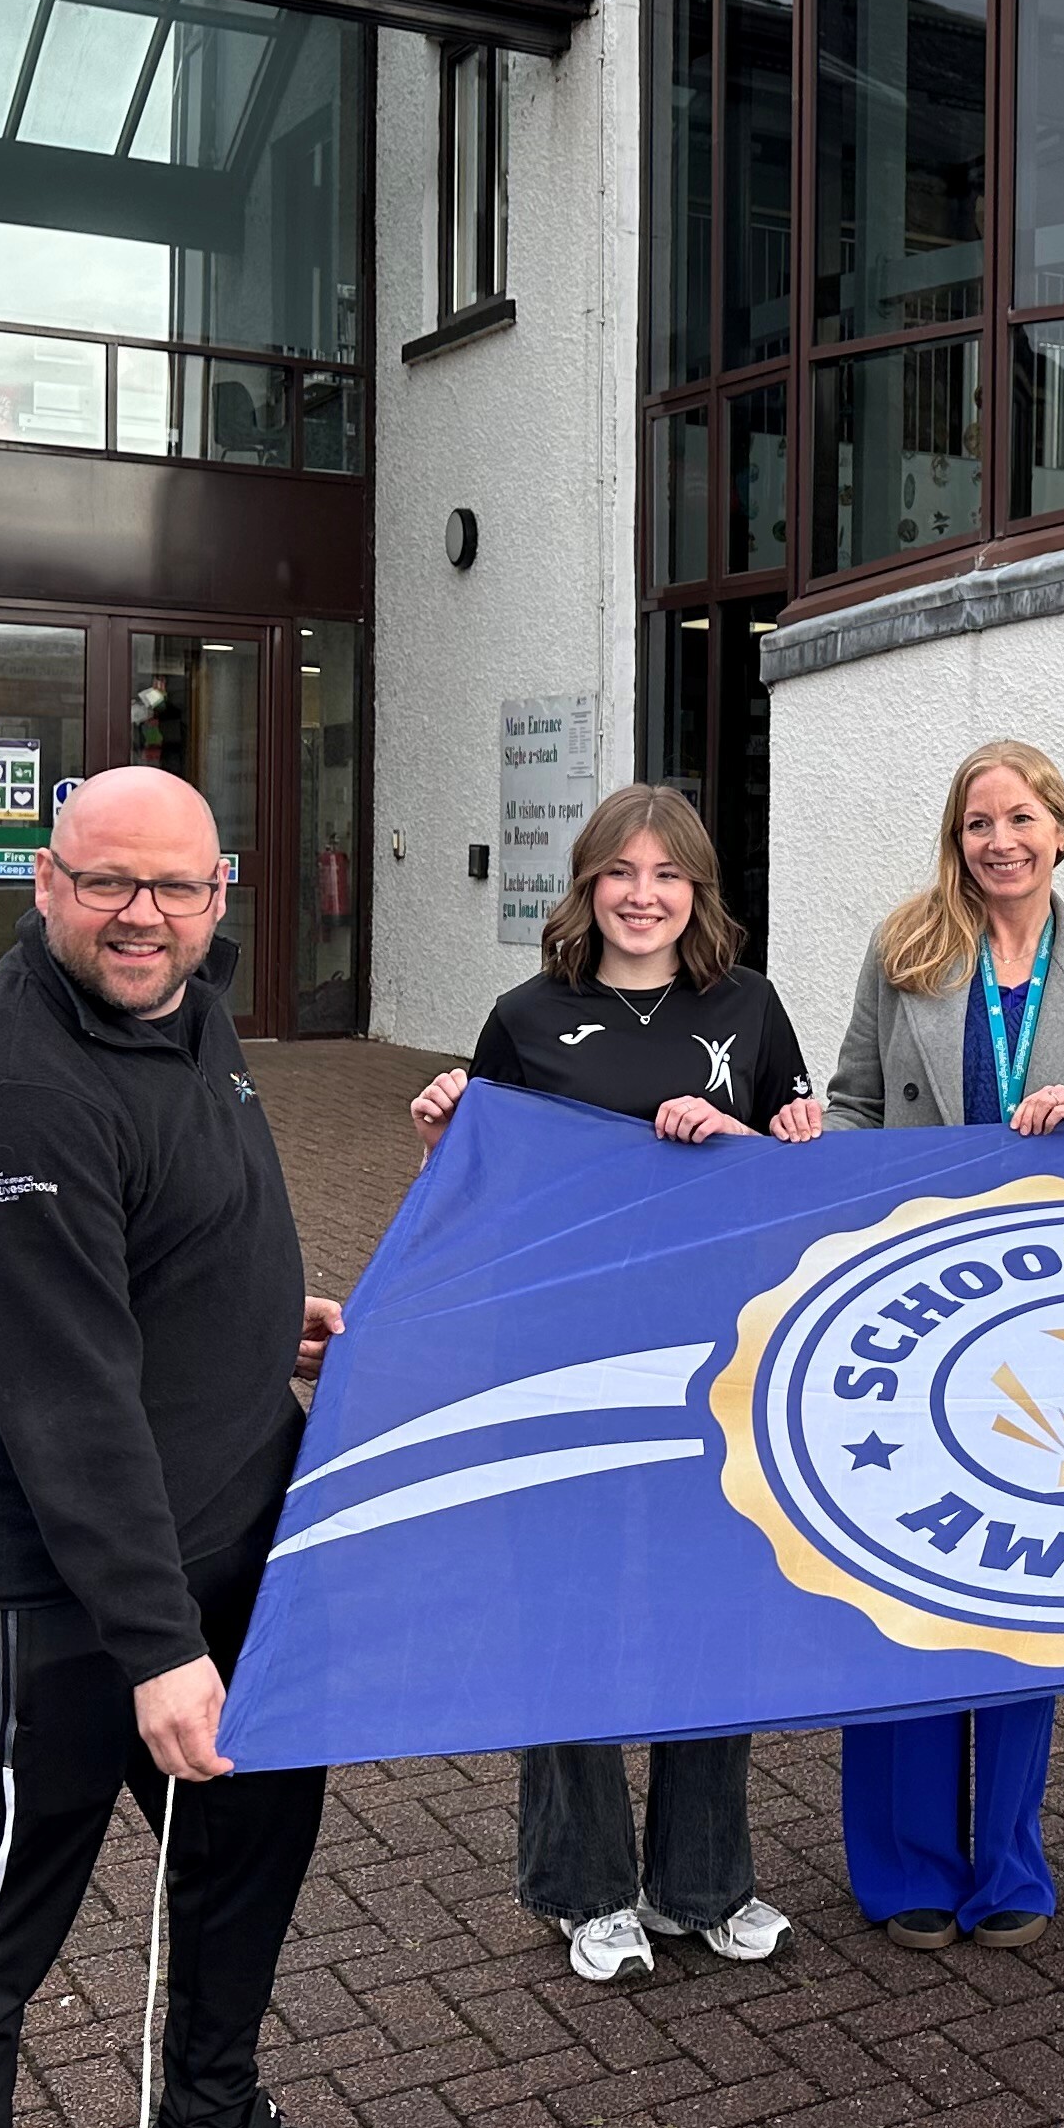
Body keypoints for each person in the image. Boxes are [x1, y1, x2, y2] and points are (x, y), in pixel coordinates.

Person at [0, 765, 389, 2128]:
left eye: (174, 887)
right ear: (43, 879)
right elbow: (66, 1399)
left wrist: (267, 1327)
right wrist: (158, 1641)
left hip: (233, 1530)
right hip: (55, 1589)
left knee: (250, 1831)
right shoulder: (4, 1093)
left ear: (224, 888)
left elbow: (179, 1234)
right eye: (109, 883)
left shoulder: (188, 1014)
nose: (142, 916)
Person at [399, 785, 820, 1991]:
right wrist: (439, 1141)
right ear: (585, 888)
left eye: (668, 874)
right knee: (570, 1614)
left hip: (716, 1357)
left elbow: (794, 1176)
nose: (644, 895)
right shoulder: (527, 1017)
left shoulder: (749, 1007)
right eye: (620, 874)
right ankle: (584, 1887)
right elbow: (477, 1200)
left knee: (712, 1613)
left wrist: (754, 1139)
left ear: (698, 891)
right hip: (562, 1359)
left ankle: (704, 1884)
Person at [823, 738, 1064, 1945]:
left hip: (1050, 1325)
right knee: (905, 1575)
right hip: (913, 1307)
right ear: (956, 839)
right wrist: (824, 1136)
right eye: (977, 824)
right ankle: (905, 1863)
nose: (999, 842)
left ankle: (1009, 1860)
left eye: (1020, 818)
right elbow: (858, 1102)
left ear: (1060, 829)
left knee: (1024, 1580)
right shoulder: (903, 950)